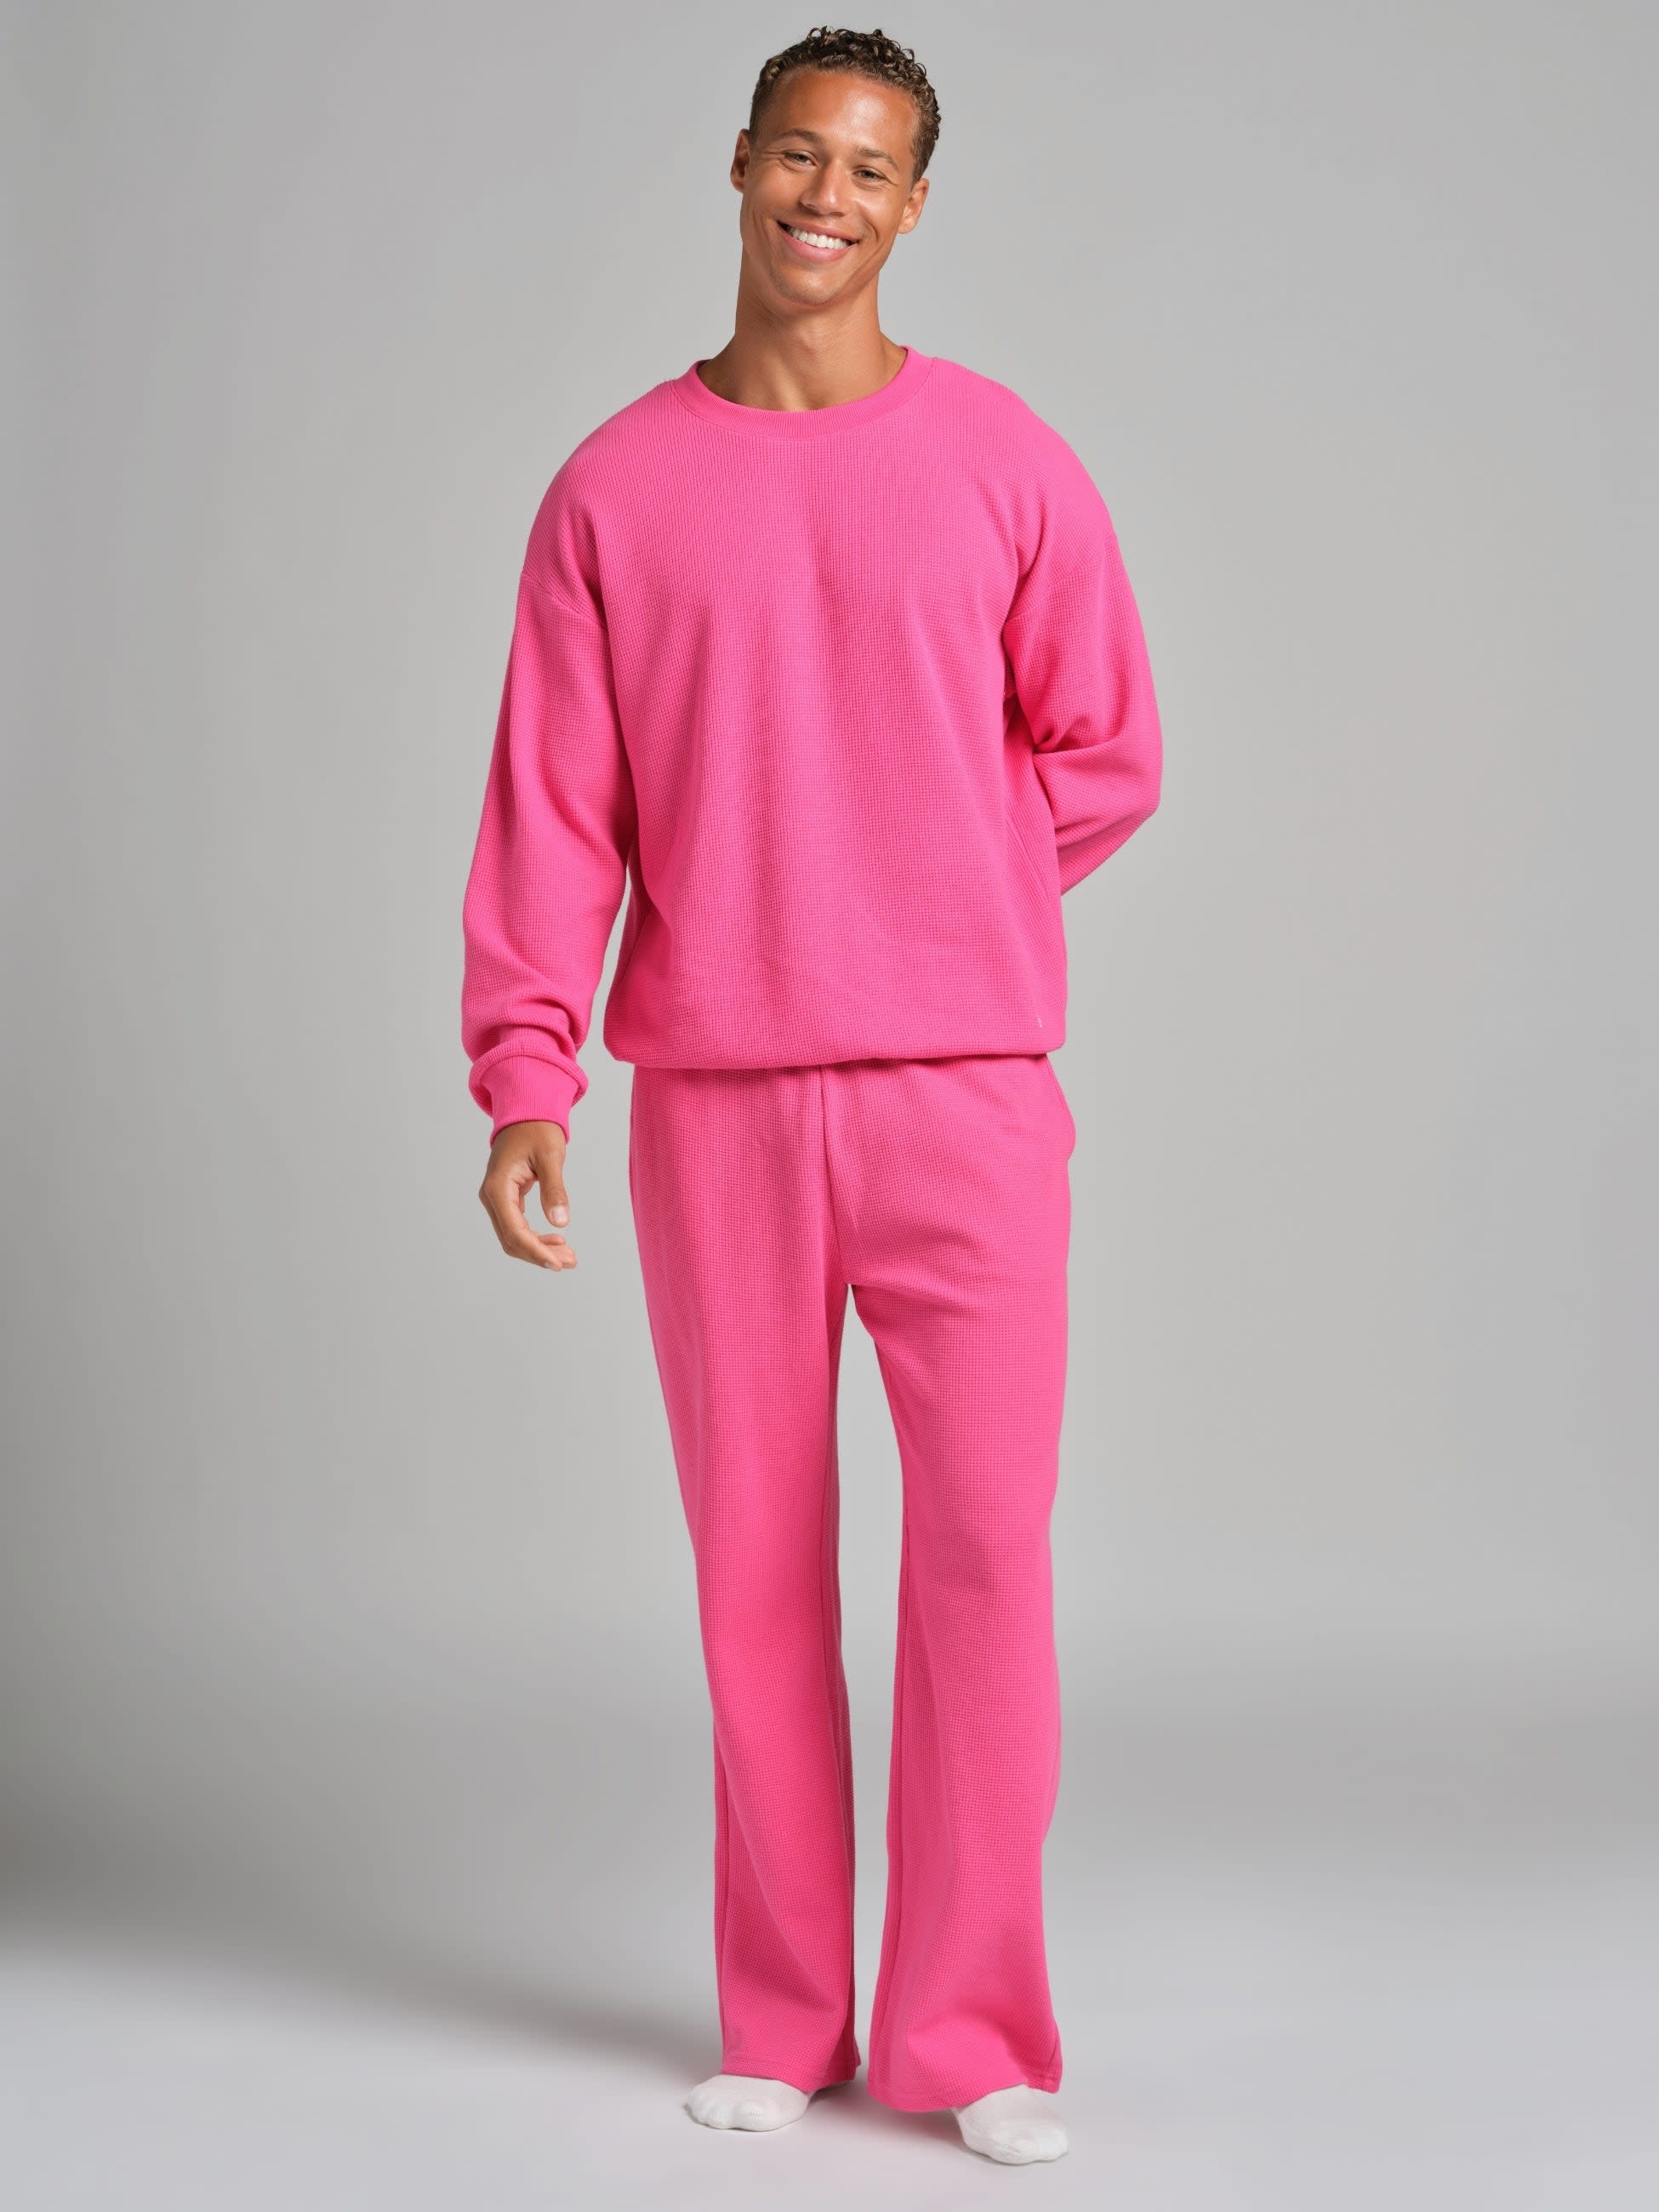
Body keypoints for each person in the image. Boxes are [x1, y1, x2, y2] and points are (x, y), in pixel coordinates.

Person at [460, 23, 1161, 2169]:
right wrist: (525, 1068)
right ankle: (784, 2011)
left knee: (985, 1564)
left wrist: (941, 899)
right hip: (722, 1112)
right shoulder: (614, 487)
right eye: (797, 154)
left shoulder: (1005, 460)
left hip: (969, 1101)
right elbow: (554, 810)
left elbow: (1111, 749)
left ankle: (973, 2031)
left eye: (870, 169)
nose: (826, 196)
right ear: (742, 167)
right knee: (754, 1568)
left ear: (915, 206)